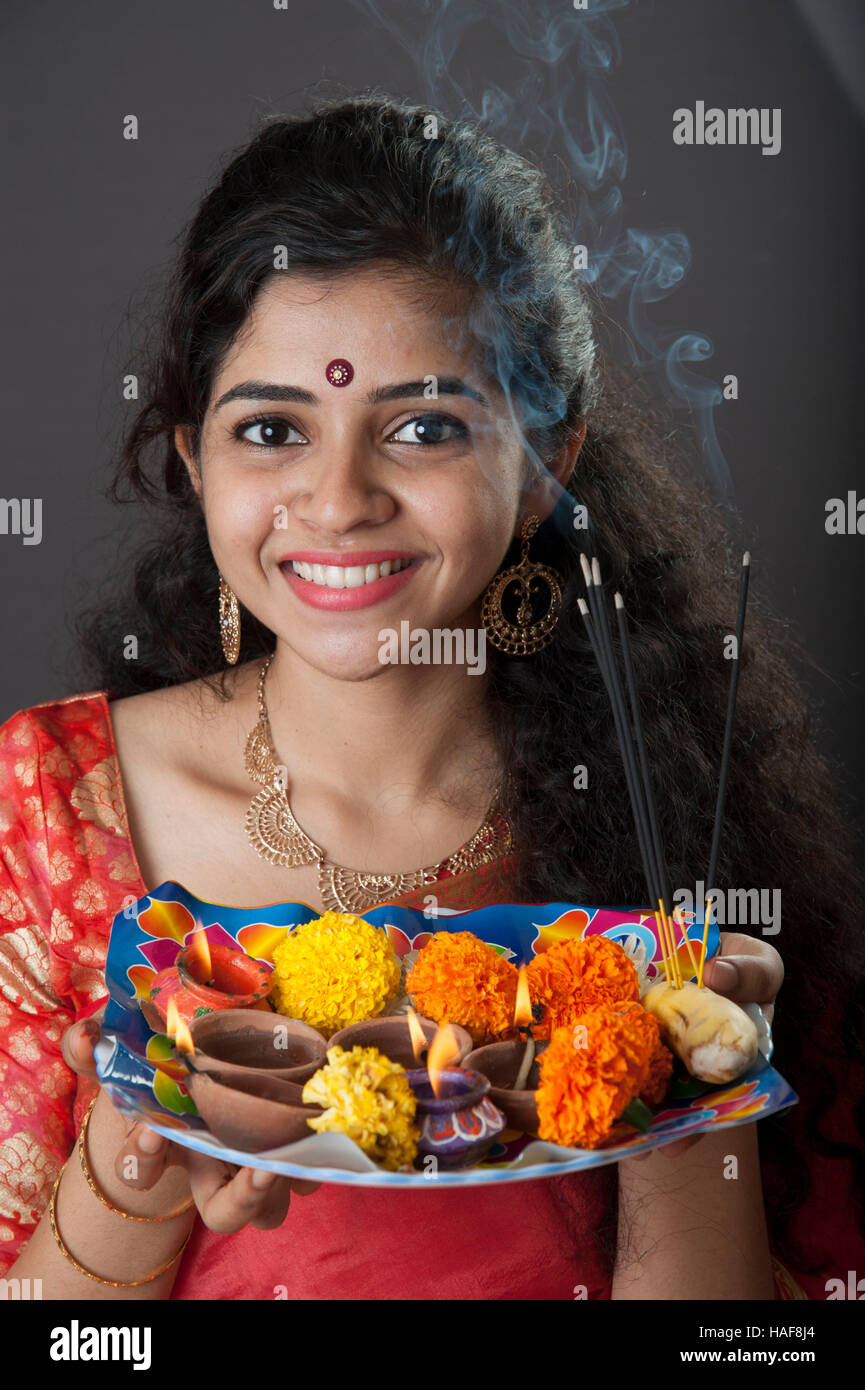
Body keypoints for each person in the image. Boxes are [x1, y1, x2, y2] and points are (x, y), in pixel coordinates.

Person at [1, 96, 862, 1301]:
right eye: (271, 430)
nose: (340, 497)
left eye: (419, 426)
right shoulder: (43, 813)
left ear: (540, 470)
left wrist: (687, 1076)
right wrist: (150, 1148)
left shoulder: (678, 812)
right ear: (198, 465)